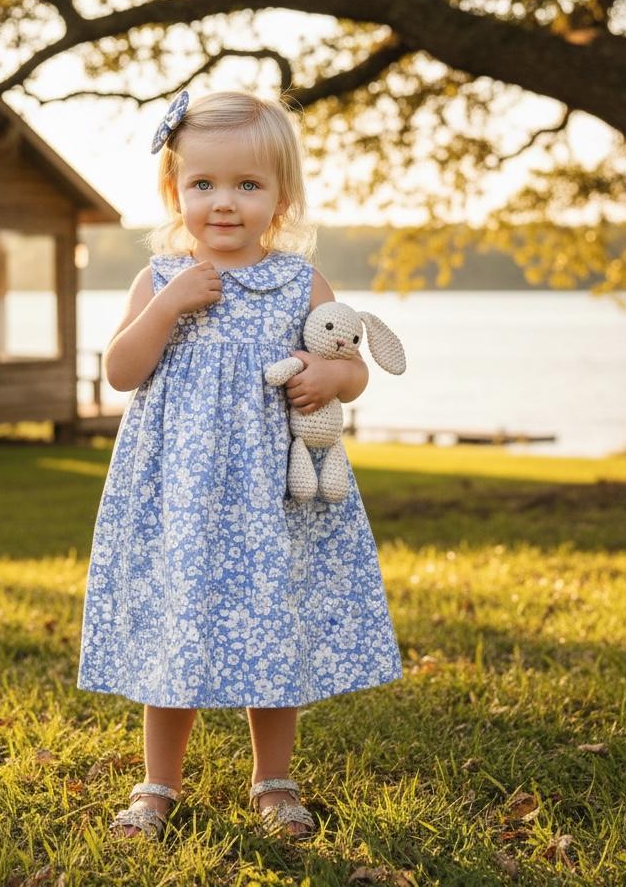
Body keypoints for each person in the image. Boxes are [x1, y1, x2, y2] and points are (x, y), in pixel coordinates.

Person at [76, 88, 404, 842]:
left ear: (280, 197)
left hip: (271, 490)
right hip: (179, 493)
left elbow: (350, 368)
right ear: (176, 190)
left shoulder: (299, 283)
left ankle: (275, 780)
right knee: (176, 620)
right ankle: (158, 785)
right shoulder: (160, 279)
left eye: (248, 186)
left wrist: (333, 381)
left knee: (272, 616)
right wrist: (168, 309)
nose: (224, 203)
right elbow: (121, 371)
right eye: (204, 184)